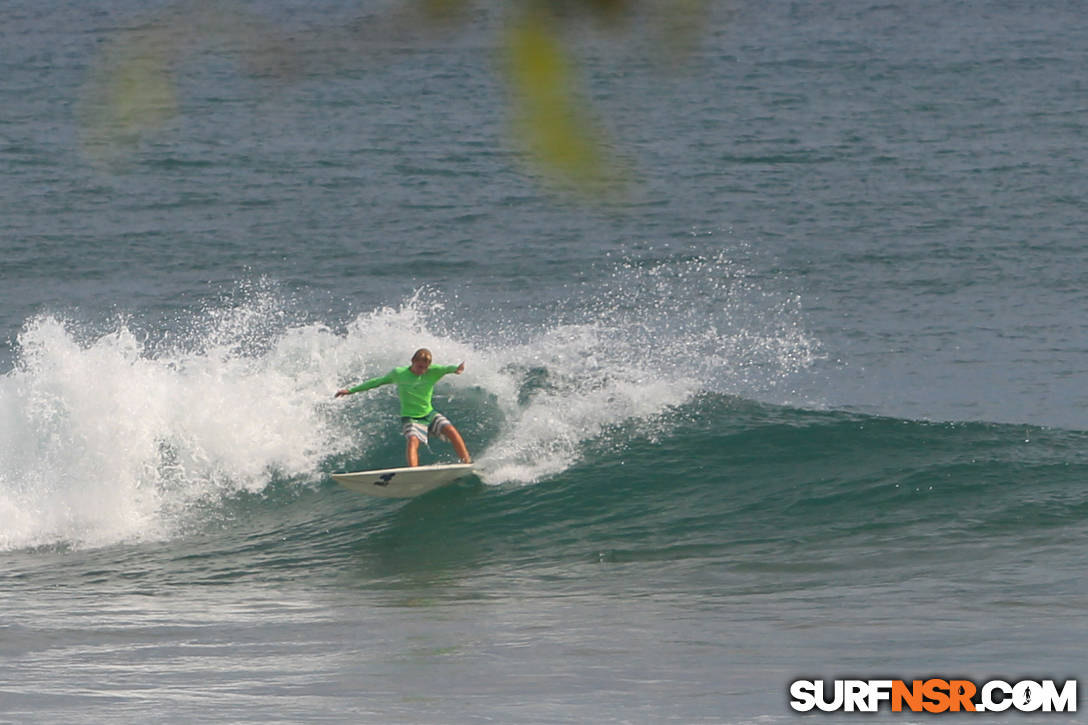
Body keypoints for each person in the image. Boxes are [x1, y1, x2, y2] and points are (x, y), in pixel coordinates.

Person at [335, 348, 472, 467]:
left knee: (452, 431)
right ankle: (413, 472)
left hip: (429, 413)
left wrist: (457, 369)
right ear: (412, 361)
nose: (422, 370)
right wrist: (351, 390)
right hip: (411, 417)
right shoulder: (399, 373)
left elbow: (448, 369)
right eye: (419, 367)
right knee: (413, 440)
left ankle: (466, 462)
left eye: (425, 368)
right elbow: (377, 382)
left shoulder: (433, 371)